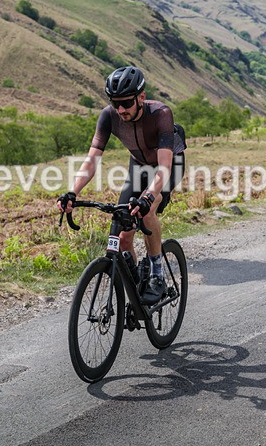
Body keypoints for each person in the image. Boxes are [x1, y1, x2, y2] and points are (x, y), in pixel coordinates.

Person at [58, 66, 187, 305]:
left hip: (167, 166)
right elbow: (91, 160)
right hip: (137, 167)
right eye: (115, 103)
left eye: (126, 103)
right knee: (123, 234)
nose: (120, 110)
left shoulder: (161, 114)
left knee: (147, 209)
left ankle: (157, 275)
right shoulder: (109, 116)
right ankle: (138, 277)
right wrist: (72, 192)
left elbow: (164, 168)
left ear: (141, 97)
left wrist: (149, 196)